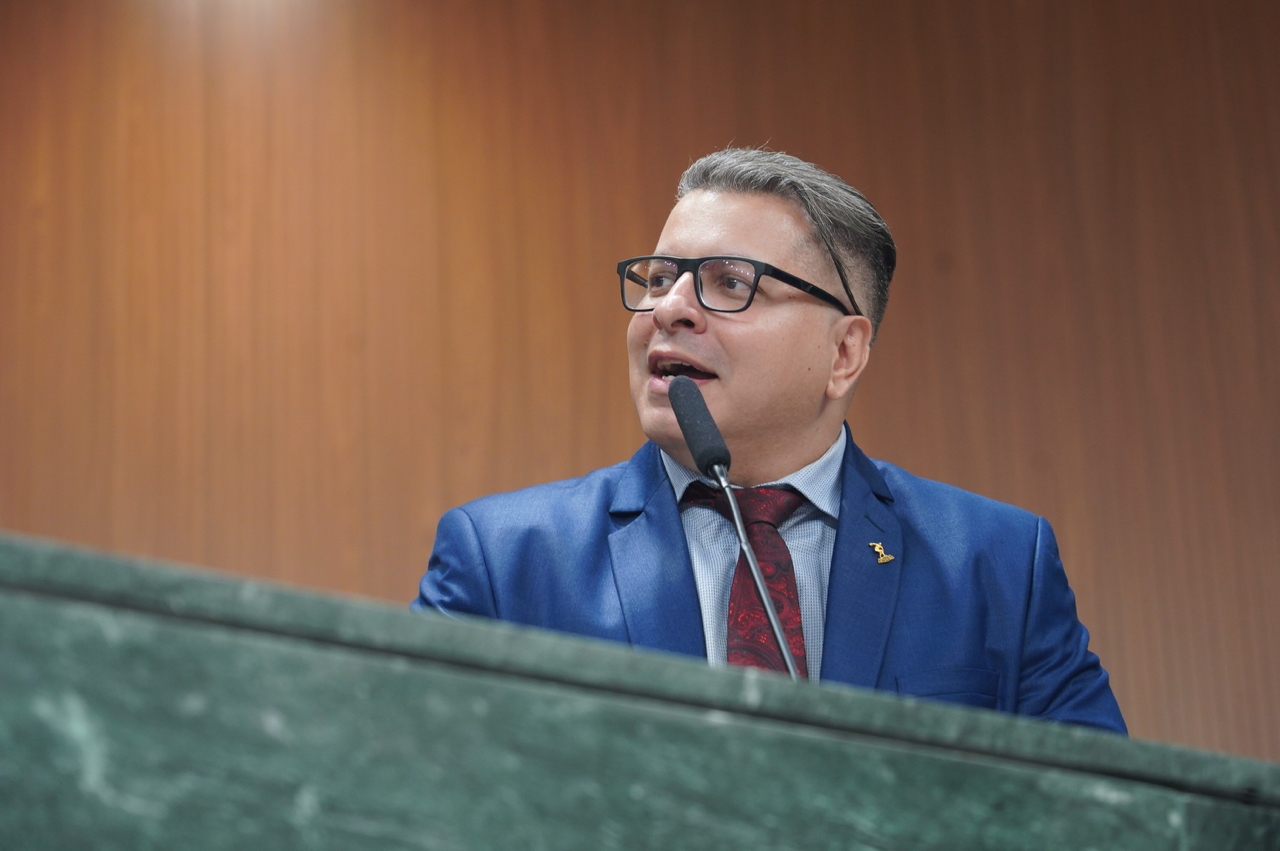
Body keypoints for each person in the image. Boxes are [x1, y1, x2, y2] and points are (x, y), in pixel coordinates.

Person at [413, 148, 1125, 732]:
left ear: (843, 353)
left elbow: (1107, 817)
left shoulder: (999, 565)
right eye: (658, 278)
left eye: (729, 283)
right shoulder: (502, 561)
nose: (669, 309)